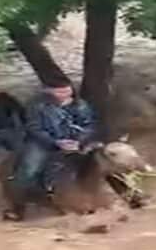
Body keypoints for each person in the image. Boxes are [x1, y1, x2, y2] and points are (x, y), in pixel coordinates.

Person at [6, 76, 97, 218]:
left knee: (104, 161)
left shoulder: (81, 105)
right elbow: (33, 127)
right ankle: (17, 208)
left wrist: (78, 141)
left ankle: (130, 194)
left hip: (74, 142)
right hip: (42, 143)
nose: (64, 95)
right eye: (59, 92)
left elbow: (89, 126)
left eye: (67, 91)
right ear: (48, 91)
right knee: (29, 170)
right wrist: (55, 142)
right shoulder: (36, 105)